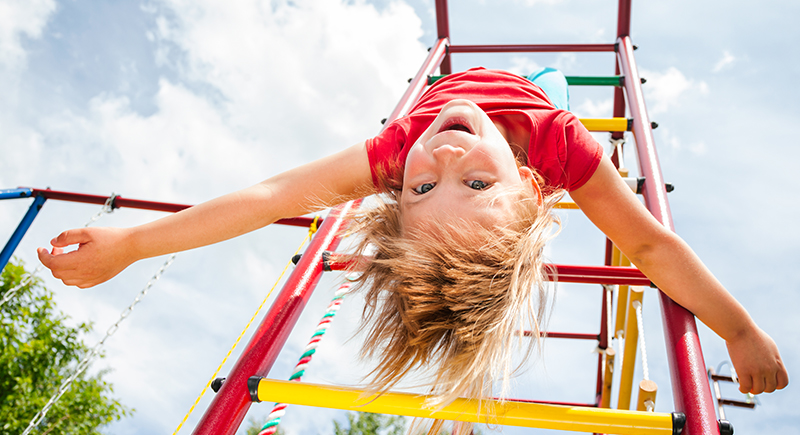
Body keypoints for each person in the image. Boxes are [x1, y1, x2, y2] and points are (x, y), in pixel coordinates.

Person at [37, 67, 787, 423]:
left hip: (458, 86)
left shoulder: (402, 151)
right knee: (554, 89)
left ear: (399, 190)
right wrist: (740, 329)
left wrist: (134, 243)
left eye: (423, 191)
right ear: (533, 188)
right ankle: (539, 102)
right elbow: (651, 247)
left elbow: (272, 196)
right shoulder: (562, 145)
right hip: (537, 97)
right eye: (477, 185)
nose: (444, 160)